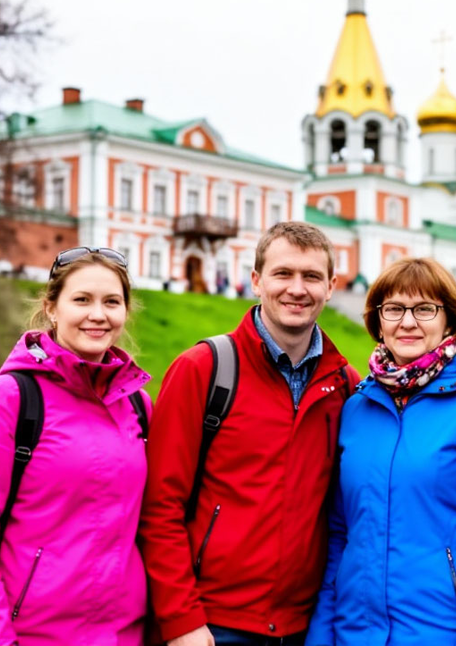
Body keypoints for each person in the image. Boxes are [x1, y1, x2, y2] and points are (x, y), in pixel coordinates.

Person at [140, 222, 360, 646]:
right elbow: (160, 506)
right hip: (210, 623)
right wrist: (181, 619)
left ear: (331, 287)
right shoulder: (204, 369)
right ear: (257, 280)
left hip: (302, 625)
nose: (297, 288)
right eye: (283, 274)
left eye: (311, 276)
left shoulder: (345, 385)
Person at [306, 258, 456, 646]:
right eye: (393, 309)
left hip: (442, 632)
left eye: (425, 308)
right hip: (353, 633)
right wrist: (322, 634)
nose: (407, 322)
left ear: (450, 320)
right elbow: (341, 534)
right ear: (378, 320)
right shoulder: (357, 408)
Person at [0, 246, 152, 645]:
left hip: (125, 635)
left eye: (112, 301)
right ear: (52, 308)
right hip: (32, 635)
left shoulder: (137, 405)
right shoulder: (9, 399)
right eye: (82, 300)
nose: (98, 315)